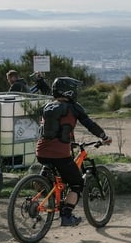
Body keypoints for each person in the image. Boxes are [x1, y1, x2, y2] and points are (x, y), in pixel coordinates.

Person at [36, 77, 112, 226]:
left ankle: (44, 184)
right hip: (59, 154)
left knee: (55, 169)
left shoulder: (47, 106)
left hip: (41, 151)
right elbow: (90, 124)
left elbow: (51, 129)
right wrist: (104, 136)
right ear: (69, 91)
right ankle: (66, 216)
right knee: (77, 183)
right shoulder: (74, 107)